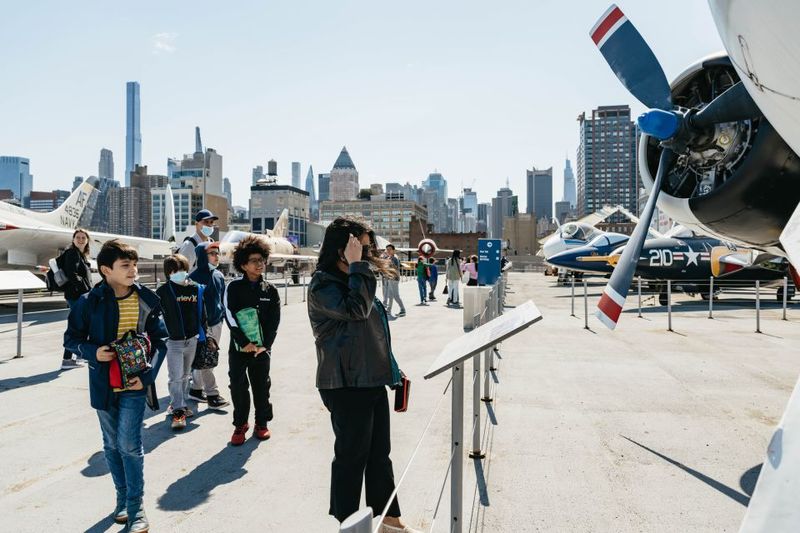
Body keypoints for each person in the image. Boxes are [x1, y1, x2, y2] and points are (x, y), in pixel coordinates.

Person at [307, 216, 421, 533]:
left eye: (367, 247)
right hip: (344, 383)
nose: (367, 253)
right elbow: (356, 311)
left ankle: (390, 520)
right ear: (341, 248)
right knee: (351, 456)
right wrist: (359, 268)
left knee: (379, 456)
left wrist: (392, 368)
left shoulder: (357, 278)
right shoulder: (323, 285)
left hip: (371, 379)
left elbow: (375, 331)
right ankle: (347, 523)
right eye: (360, 246)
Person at [64, 239, 168, 533]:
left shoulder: (146, 299)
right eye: (126, 266)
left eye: (134, 265)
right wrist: (92, 352)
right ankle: (122, 500)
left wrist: (148, 377)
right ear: (106, 270)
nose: (133, 270)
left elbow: (160, 342)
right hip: (103, 385)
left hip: (135, 384)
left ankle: (136, 509)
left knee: (129, 445)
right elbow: (71, 339)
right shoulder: (88, 302)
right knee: (111, 445)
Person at [224, 235, 281, 445]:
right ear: (243, 264)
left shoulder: (271, 290)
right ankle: (240, 424)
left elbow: (275, 321)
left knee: (261, 387)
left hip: (262, 351)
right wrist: (243, 341)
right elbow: (229, 315)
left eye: (262, 260)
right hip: (239, 349)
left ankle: (262, 423)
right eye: (254, 260)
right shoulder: (233, 288)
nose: (260, 264)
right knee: (238, 387)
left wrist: (266, 345)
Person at [156, 254, 206, 431]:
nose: (181, 273)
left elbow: (202, 313)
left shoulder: (195, 289)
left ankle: (180, 403)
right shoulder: (163, 292)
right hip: (173, 342)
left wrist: (204, 335)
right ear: (169, 273)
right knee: (175, 376)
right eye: (176, 271)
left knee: (186, 375)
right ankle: (177, 410)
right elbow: (154, 316)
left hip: (191, 339)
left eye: (184, 270)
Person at [187, 242, 230, 410]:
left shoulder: (218, 275)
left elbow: (222, 299)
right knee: (207, 359)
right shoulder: (193, 278)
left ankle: (196, 390)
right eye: (212, 253)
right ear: (203, 256)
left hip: (216, 322)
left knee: (203, 358)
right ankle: (212, 394)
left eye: (217, 253)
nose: (216, 256)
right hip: (203, 326)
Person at [61, 228, 93, 369]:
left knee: (80, 326)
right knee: (76, 327)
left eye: (83, 238)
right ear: (73, 240)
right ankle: (67, 360)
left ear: (87, 241)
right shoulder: (72, 253)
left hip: (78, 295)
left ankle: (78, 355)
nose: (80, 240)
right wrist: (86, 291)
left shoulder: (81, 255)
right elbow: (72, 274)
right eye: (78, 237)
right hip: (76, 296)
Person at [382, 244, 406, 317]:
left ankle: (403, 310)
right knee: (390, 295)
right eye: (387, 249)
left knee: (395, 295)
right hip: (390, 278)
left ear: (393, 250)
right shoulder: (390, 257)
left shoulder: (394, 258)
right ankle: (388, 311)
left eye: (389, 249)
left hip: (393, 279)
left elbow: (394, 269)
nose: (388, 251)